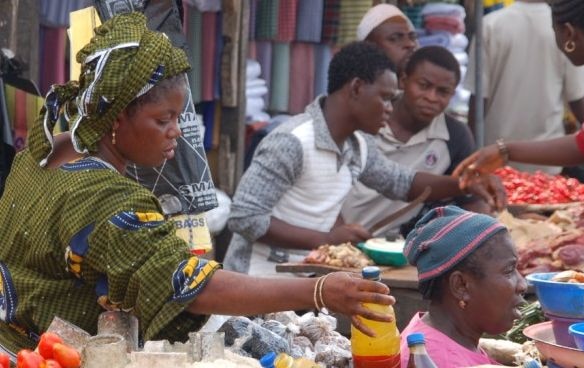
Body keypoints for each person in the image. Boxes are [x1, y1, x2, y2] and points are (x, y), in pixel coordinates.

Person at [0, 13, 397, 359]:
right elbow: (190, 285)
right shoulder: (103, 197)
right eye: (163, 120)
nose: (177, 133)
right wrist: (319, 292)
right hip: (42, 356)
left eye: (178, 117)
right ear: (118, 117)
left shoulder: (42, 151)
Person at [223, 41, 505, 277]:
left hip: (304, 283)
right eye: (384, 98)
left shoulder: (358, 143)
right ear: (356, 88)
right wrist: (326, 240)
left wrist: (465, 183)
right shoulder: (292, 141)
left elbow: (401, 183)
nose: (388, 109)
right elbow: (245, 217)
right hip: (254, 282)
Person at [342, 46, 490, 238]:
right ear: (403, 80)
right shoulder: (367, 116)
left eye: (442, 92)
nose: (431, 97)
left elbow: (470, 200)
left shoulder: (455, 136)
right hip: (333, 236)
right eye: (423, 85)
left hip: (395, 247)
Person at [453, 0, 584, 184]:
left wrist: (487, 151)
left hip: (502, 168)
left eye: (554, 31)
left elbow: (477, 103)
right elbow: (583, 141)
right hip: (545, 167)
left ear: (568, 33)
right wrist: (504, 151)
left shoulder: (491, 25)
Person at [400, 206, 527, 368]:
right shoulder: (436, 362)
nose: (523, 284)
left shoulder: (439, 336)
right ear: (461, 286)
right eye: (509, 271)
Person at [357, 3, 419, 76]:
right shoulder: (359, 86)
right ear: (370, 47)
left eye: (412, 37)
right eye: (395, 38)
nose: (410, 44)